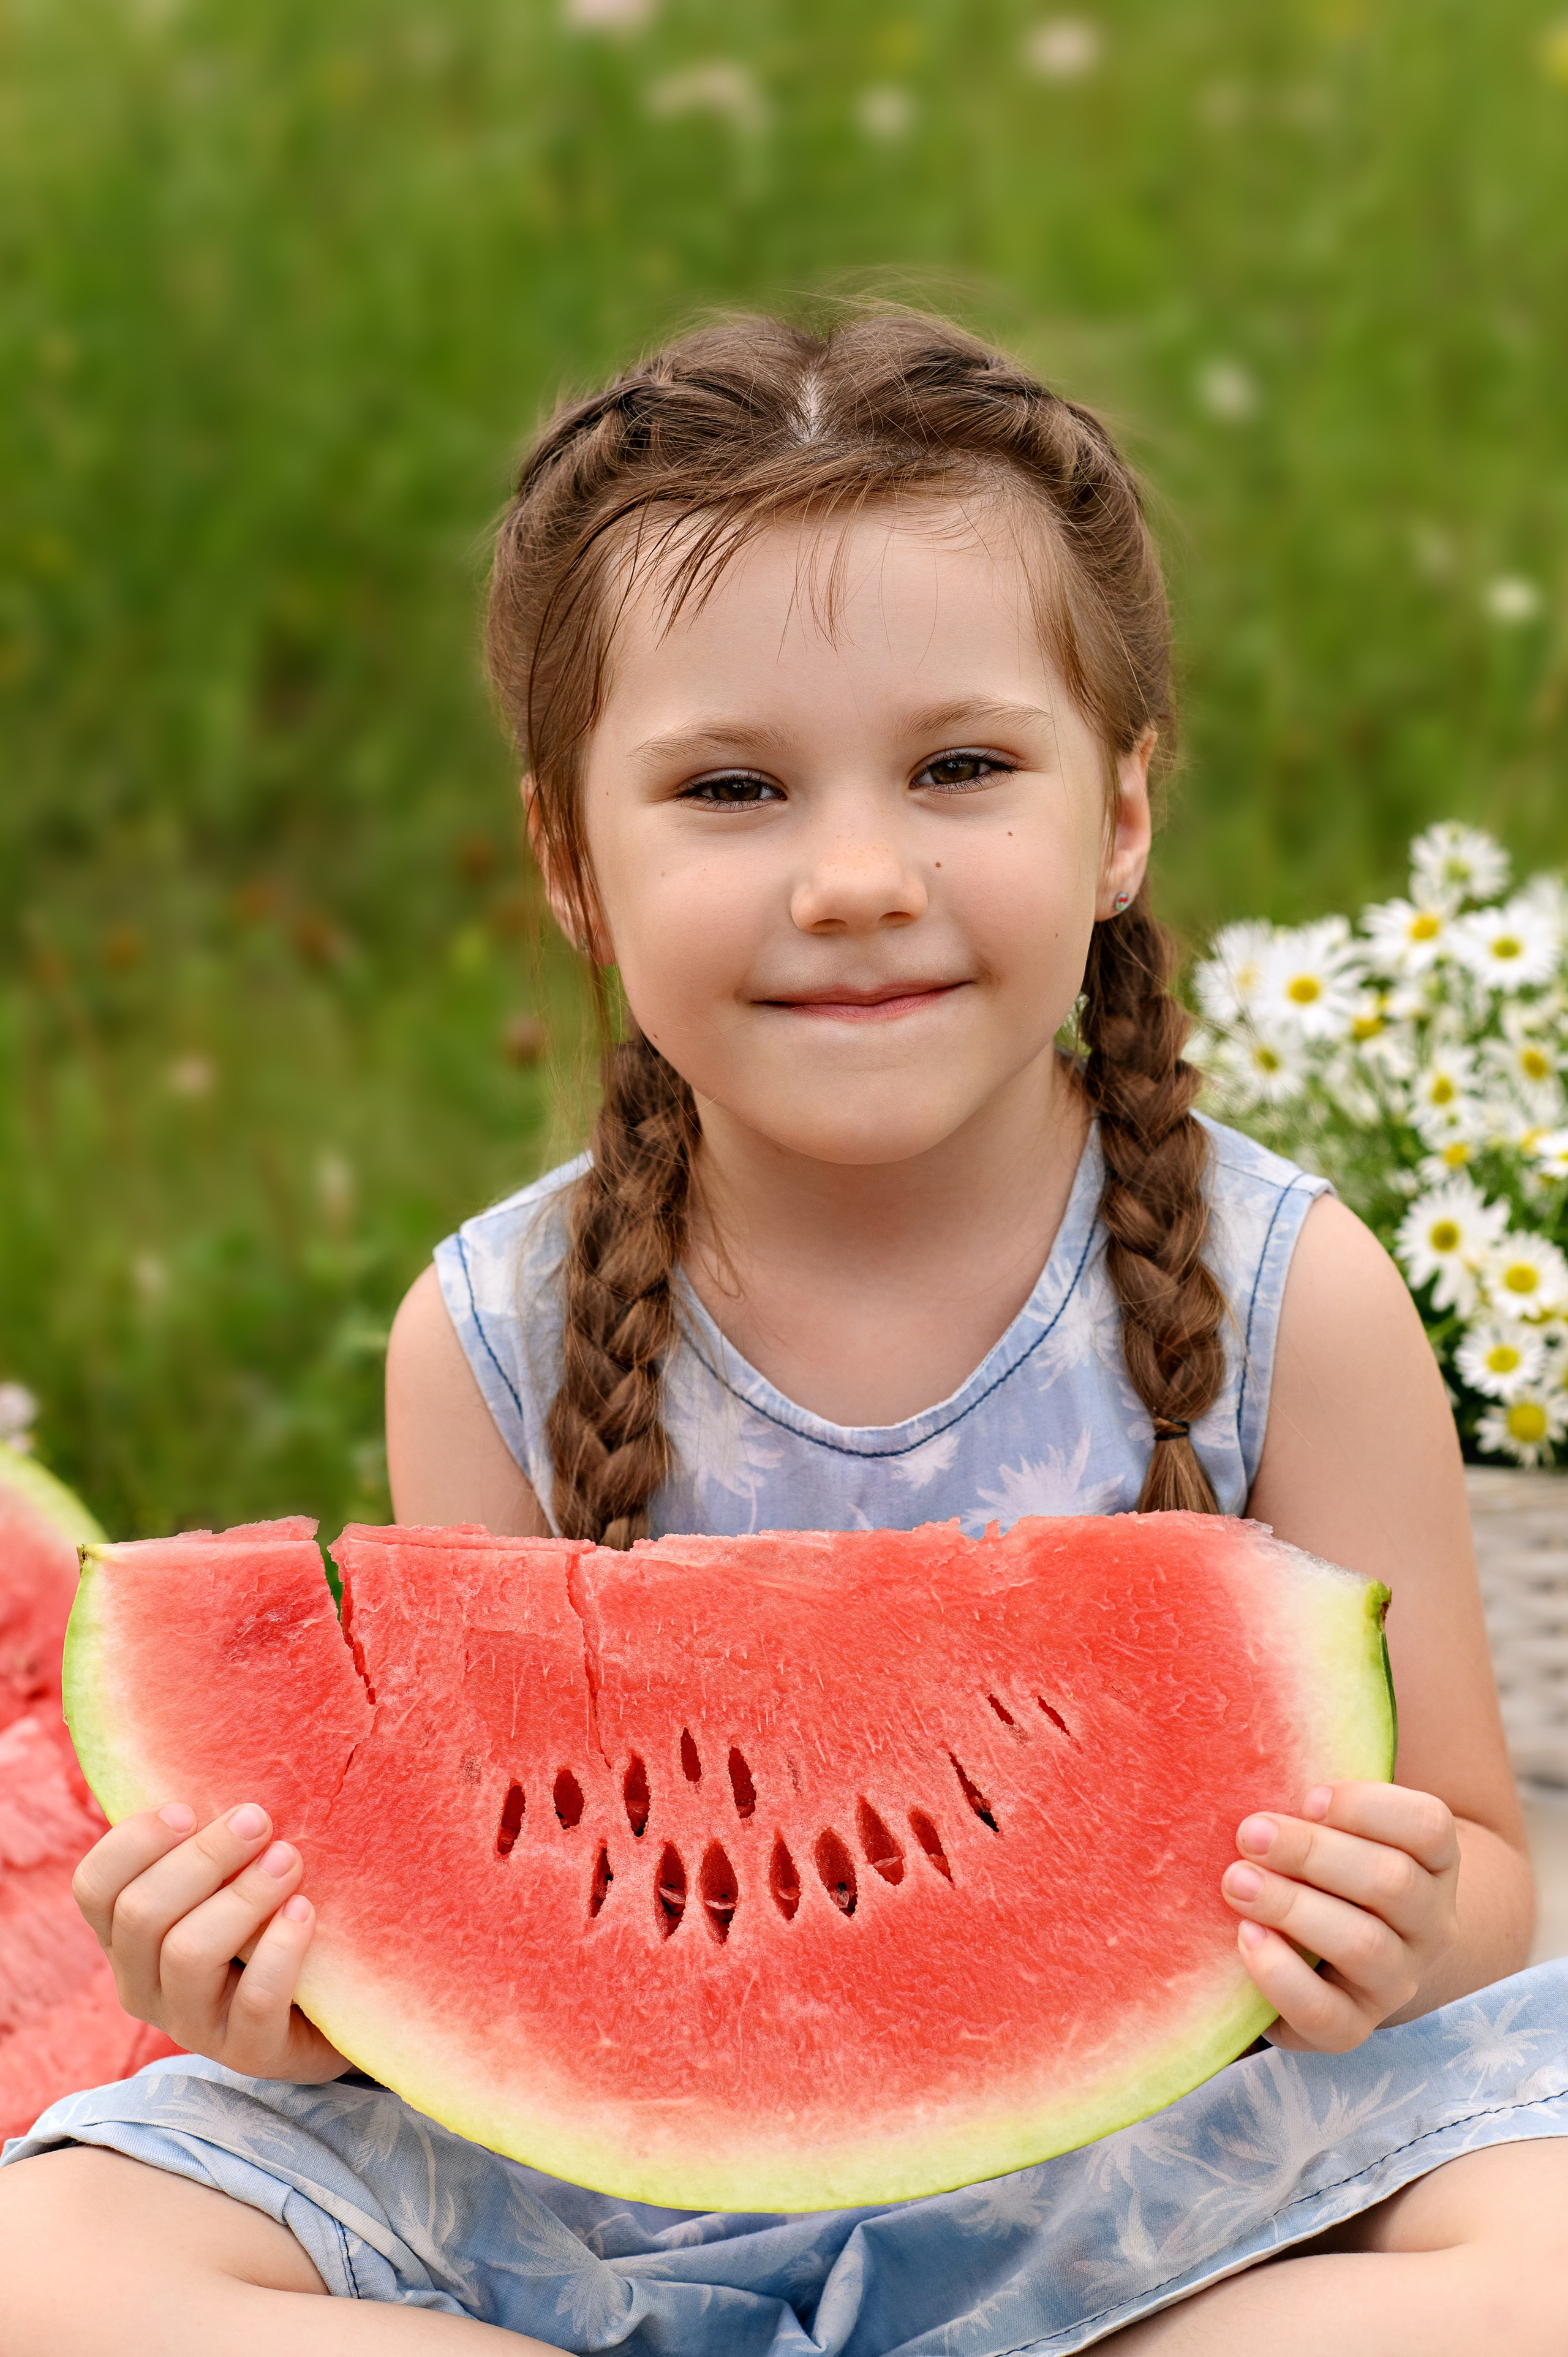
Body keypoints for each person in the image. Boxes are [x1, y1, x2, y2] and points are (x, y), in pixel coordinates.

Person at [3, 310, 1566, 2355]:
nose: (853, 878)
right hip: (632, 2197)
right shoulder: (493, 1326)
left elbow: (1484, 1874)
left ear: (1120, 819)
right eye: (734, 788)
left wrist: (1398, 1925)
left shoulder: (1295, 1287)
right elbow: (513, 1900)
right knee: (56, 2266)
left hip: (1172, 2176)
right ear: (575, 861)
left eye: (963, 770)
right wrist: (295, 2003)